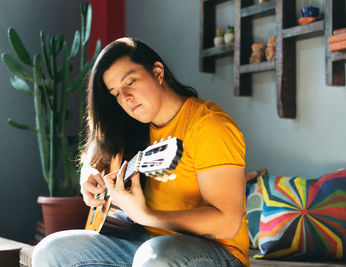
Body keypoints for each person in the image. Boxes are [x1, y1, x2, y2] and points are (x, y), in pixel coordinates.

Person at [32, 37, 249, 267]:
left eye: (131, 82)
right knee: (50, 251)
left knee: (154, 256)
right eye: (115, 93)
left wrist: (146, 215)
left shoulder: (208, 126)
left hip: (219, 253)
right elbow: (95, 153)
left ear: (157, 72)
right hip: (145, 242)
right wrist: (88, 177)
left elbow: (228, 223)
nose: (125, 98)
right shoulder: (133, 126)